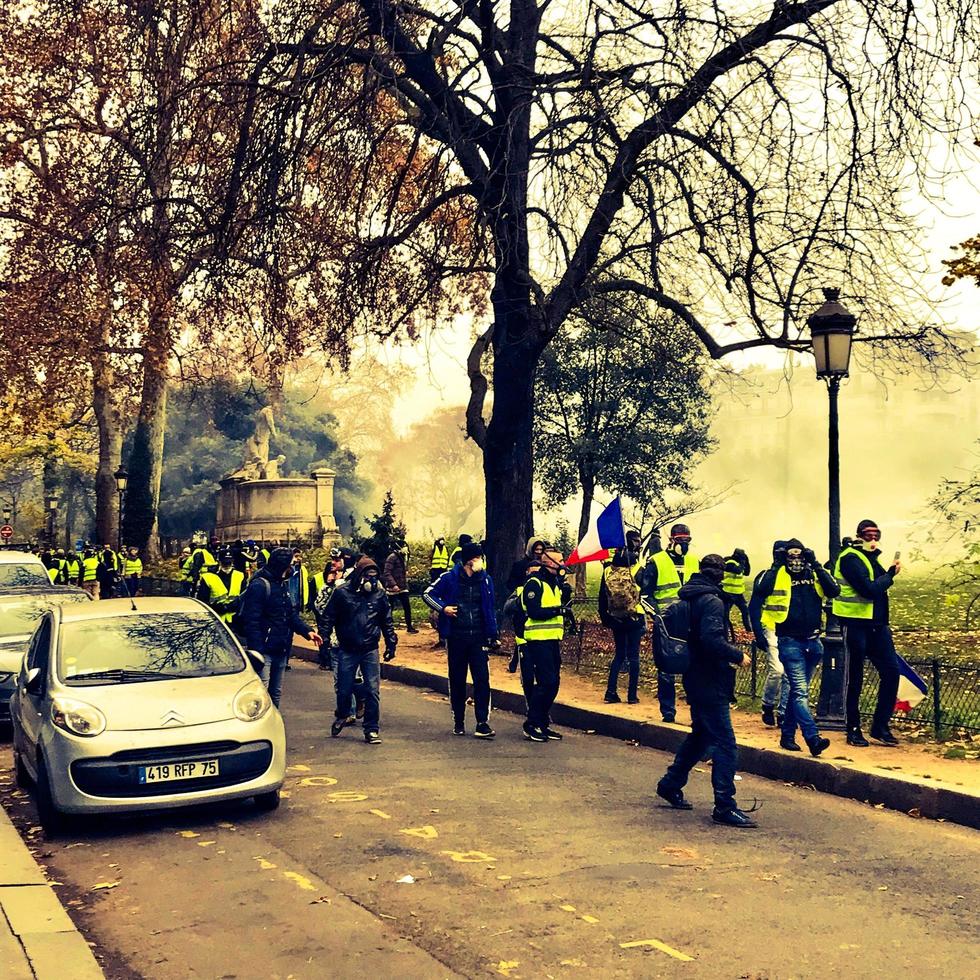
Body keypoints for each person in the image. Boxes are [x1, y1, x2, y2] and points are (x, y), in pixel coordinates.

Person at [655, 555, 757, 828]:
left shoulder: (690, 596)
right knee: (725, 743)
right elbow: (711, 639)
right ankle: (724, 805)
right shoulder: (711, 600)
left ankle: (670, 783)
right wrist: (738, 655)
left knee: (701, 736)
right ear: (720, 575)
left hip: (694, 676)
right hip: (711, 679)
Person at [752, 539, 838, 756]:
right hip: (790, 642)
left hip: (813, 642)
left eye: (799, 555)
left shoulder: (813, 574)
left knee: (795, 693)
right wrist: (776, 565)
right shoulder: (775, 574)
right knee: (800, 692)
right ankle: (812, 737)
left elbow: (834, 590)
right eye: (791, 556)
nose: (796, 560)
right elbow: (761, 590)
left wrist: (816, 564)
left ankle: (787, 736)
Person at [834, 519, 902, 747]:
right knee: (855, 678)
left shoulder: (871, 558)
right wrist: (891, 574)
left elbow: (877, 586)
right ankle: (853, 729)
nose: (873, 539)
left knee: (891, 672)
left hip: (877, 624)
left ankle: (880, 726)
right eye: (868, 534)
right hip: (855, 624)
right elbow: (869, 590)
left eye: (876, 534)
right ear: (859, 535)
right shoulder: (850, 558)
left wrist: (887, 574)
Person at [424, 542, 500, 738]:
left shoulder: (485, 580)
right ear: (470, 560)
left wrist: (492, 634)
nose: (482, 561)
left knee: (482, 679)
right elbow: (428, 594)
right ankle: (458, 720)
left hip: (478, 638)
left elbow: (490, 608)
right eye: (479, 557)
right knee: (457, 679)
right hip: (457, 637)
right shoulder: (449, 578)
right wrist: (443, 608)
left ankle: (482, 722)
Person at [319, 556, 397, 745]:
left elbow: (386, 619)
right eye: (367, 576)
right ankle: (343, 714)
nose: (371, 581)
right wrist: (325, 642)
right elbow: (328, 618)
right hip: (347, 648)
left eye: (374, 577)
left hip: (370, 648)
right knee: (344, 689)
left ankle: (371, 728)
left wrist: (391, 642)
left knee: (372, 690)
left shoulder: (378, 594)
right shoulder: (341, 593)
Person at [239, 547, 323, 708]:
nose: (292, 568)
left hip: (281, 648)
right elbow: (252, 621)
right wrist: (257, 651)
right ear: (282, 566)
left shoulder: (280, 584)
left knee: (275, 692)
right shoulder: (260, 586)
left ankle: (272, 724)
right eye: (290, 564)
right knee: (261, 692)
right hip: (264, 650)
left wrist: (307, 631)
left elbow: (290, 615)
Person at [640, 523, 699, 722]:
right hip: (666, 622)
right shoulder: (656, 561)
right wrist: (658, 616)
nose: (684, 544)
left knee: (693, 666)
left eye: (687, 540)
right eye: (680, 540)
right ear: (671, 540)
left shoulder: (694, 561)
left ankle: (695, 712)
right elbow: (645, 596)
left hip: (690, 620)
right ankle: (668, 712)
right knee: (666, 668)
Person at [519, 548, 571, 742]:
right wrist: (557, 610)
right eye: (559, 560)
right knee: (545, 682)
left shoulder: (555, 584)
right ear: (548, 563)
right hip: (538, 640)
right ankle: (531, 723)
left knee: (554, 683)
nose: (563, 564)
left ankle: (542, 723)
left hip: (552, 639)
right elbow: (533, 611)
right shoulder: (534, 583)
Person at [600, 531, 646, 705]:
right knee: (634, 656)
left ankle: (610, 692)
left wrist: (608, 619)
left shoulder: (607, 571)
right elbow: (645, 591)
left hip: (616, 619)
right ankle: (632, 696)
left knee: (619, 655)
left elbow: (602, 598)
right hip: (635, 617)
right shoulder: (638, 569)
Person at [749, 541, 791, 728]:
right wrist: (758, 633)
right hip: (771, 627)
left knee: (789, 674)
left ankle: (783, 713)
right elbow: (754, 605)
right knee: (777, 671)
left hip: (791, 630)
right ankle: (768, 704)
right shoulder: (766, 576)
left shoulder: (796, 575)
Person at [311, 549, 345, 669]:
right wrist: (329, 584)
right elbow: (319, 606)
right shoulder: (327, 586)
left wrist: (339, 583)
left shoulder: (350, 583)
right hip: (333, 635)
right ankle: (325, 660)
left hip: (348, 637)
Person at [195, 549, 246, 626]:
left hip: (235, 621)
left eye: (229, 562)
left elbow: (245, 598)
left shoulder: (240, 576)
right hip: (215, 620)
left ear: (233, 562)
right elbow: (201, 601)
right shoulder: (208, 577)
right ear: (219, 561)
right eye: (225, 563)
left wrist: (234, 606)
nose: (227, 565)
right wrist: (215, 608)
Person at [383, 540, 417, 633]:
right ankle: (387, 628)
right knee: (390, 608)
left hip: (402, 587)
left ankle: (409, 627)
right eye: (404, 546)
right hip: (392, 588)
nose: (405, 548)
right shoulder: (392, 557)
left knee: (407, 607)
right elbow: (387, 572)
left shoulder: (403, 557)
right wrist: (393, 584)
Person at [721, 549, 751, 632]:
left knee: (745, 611)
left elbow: (747, 573)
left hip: (738, 593)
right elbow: (737, 570)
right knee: (725, 614)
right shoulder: (729, 562)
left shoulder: (739, 564)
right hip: (728, 592)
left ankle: (748, 629)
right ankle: (725, 630)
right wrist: (742, 561)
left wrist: (747, 561)